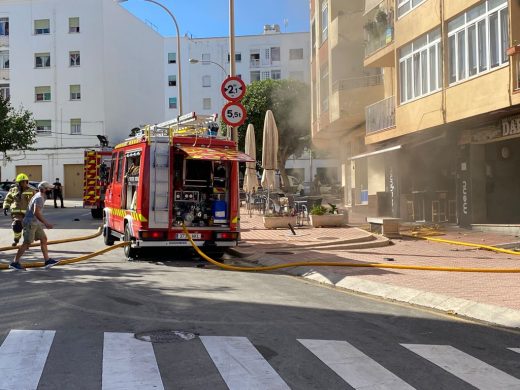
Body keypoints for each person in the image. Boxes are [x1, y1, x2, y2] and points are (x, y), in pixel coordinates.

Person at [9, 181, 60, 271]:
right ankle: (14, 262)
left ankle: (47, 260)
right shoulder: (39, 198)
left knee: (43, 239)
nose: (50, 190)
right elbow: (36, 212)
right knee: (27, 243)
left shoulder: (40, 196)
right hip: (30, 223)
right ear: (44, 189)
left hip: (34, 222)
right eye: (49, 188)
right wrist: (46, 223)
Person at [2, 173, 36, 246]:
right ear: (18, 183)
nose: (24, 183)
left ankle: (26, 243)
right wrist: (5, 207)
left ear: (27, 182)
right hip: (16, 213)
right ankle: (16, 238)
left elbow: (36, 202)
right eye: (22, 182)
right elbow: (8, 199)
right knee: (17, 225)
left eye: (25, 181)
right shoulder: (13, 190)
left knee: (27, 230)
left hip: (28, 213)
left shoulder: (32, 191)